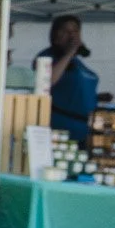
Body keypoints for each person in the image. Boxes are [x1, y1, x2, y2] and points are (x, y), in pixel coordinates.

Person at [39, 14, 101, 146]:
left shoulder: (77, 61)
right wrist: (70, 52)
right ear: (55, 35)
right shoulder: (49, 56)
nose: (72, 35)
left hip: (85, 129)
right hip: (62, 129)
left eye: (75, 31)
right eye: (66, 31)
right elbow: (46, 82)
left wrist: (98, 97)